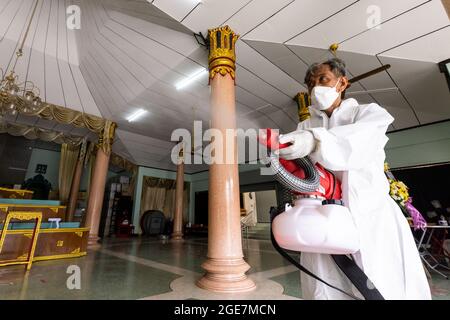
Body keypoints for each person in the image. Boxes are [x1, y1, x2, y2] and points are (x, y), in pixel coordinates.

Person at [277, 58, 431, 300]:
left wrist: (315, 141)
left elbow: (358, 143)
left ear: (342, 83)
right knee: (326, 284)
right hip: (321, 219)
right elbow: (299, 169)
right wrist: (280, 150)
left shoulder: (368, 114)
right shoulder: (305, 124)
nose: (315, 87)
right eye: (310, 83)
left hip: (369, 215)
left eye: (323, 79)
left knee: (377, 280)